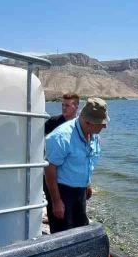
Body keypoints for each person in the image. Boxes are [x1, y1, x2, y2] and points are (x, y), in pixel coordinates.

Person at [44, 97, 108, 233]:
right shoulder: (61, 137)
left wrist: (87, 184)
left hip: (80, 191)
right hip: (62, 191)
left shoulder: (93, 133)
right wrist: (56, 201)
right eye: (101, 123)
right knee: (63, 235)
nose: (105, 126)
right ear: (88, 122)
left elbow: (87, 159)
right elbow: (49, 170)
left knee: (80, 230)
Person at [43, 93, 80, 232]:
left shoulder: (80, 125)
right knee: (55, 207)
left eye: (67, 105)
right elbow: (36, 138)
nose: (64, 108)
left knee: (74, 213)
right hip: (52, 171)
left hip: (72, 176)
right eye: (63, 105)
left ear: (76, 106)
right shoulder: (53, 122)